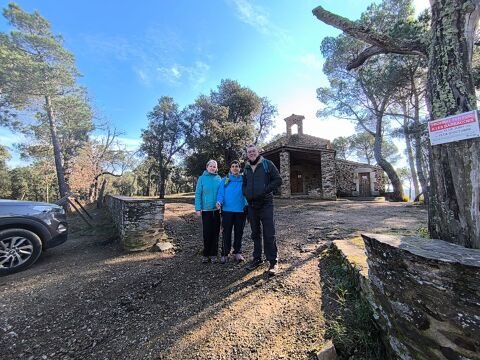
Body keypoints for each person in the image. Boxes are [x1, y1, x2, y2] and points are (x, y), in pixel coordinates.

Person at [242, 144, 282, 276]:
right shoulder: (246, 167)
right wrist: (246, 193)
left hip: (266, 203)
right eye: (249, 152)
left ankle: (273, 262)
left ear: (258, 152)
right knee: (255, 233)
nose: (252, 153)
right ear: (247, 154)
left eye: (253, 151)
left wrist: (265, 191)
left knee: (269, 233)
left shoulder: (267, 164)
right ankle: (257, 259)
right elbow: (244, 183)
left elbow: (278, 180)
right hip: (252, 205)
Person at [216, 160, 247, 264]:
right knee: (226, 232)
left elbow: (247, 193)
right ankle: (225, 253)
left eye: (237, 166)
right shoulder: (225, 180)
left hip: (241, 211)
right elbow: (220, 193)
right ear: (230, 169)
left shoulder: (244, 180)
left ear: (239, 168)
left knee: (239, 232)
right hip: (227, 211)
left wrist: (247, 205)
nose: (235, 168)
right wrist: (219, 202)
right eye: (233, 166)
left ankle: (237, 252)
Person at [195, 159, 222, 263]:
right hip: (206, 210)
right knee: (207, 232)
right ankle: (206, 254)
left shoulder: (218, 178)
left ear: (216, 168)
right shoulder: (201, 179)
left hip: (217, 210)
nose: (212, 168)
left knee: (216, 232)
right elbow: (198, 194)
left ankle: (214, 254)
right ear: (207, 167)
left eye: (214, 166)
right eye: (211, 166)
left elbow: (221, 193)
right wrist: (198, 208)